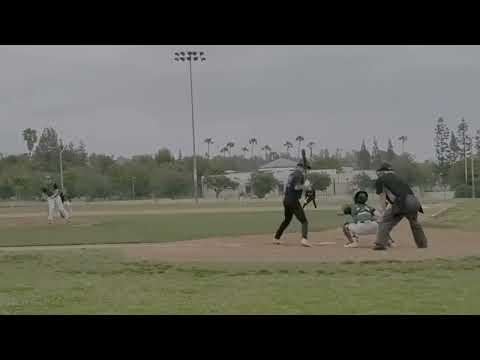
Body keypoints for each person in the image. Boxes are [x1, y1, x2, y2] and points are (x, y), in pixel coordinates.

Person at [373, 163, 428, 250]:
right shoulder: (398, 178)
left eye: (379, 172)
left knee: (385, 221)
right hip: (414, 201)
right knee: (414, 223)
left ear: (383, 172)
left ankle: (380, 244)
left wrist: (383, 212)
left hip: (402, 202)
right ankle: (422, 244)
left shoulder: (381, 180)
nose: (378, 174)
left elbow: (382, 196)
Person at [273, 162, 312, 247]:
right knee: (304, 221)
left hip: (286, 200)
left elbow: (294, 187)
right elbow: (297, 187)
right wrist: (305, 186)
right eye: (305, 168)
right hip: (293, 201)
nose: (306, 170)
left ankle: (276, 238)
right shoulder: (299, 175)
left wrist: (305, 186)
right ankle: (304, 239)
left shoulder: (292, 175)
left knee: (287, 220)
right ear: (301, 167)